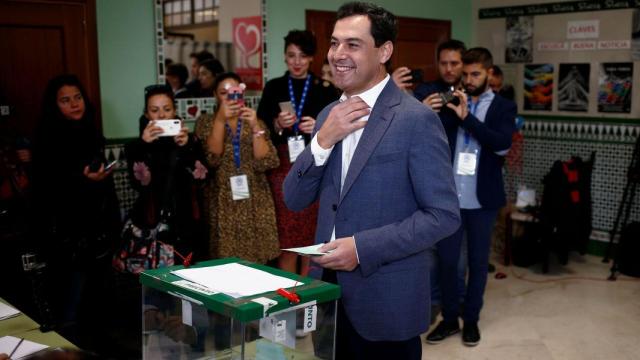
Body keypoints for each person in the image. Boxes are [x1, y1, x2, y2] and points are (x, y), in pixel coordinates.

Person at [283, 3, 460, 359]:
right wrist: (321, 141)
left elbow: (443, 215)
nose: (338, 55)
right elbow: (294, 198)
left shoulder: (416, 119)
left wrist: (361, 249)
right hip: (328, 291)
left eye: (353, 44)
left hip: (386, 296)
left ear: (384, 51)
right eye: (334, 44)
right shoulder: (326, 116)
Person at [425, 47, 516, 347]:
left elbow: (500, 144)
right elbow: (433, 136)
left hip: (482, 202)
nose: (469, 79)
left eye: (475, 74)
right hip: (450, 201)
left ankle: (471, 320)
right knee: (449, 263)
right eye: (466, 74)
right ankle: (450, 318)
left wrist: (467, 118)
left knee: (478, 264)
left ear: (489, 73)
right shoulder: (453, 101)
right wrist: (437, 110)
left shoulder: (503, 107)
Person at [31, 74, 121, 343]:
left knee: (98, 296)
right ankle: (69, 347)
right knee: (70, 300)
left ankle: (97, 343)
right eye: (65, 100)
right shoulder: (47, 138)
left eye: (78, 97)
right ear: (55, 105)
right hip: (67, 233)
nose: (74, 104)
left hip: (98, 229)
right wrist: (83, 181)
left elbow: (103, 176)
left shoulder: (91, 130)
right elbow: (46, 187)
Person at [256, 29, 338, 275]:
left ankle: (308, 297)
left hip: (314, 164)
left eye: (302, 56)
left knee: (311, 238)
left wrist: (318, 128)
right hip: (282, 167)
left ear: (312, 58)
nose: (297, 62)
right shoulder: (274, 87)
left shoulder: (325, 88)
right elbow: (260, 129)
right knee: (287, 237)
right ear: (284, 57)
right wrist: (277, 125)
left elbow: (338, 130)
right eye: (291, 56)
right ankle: (286, 296)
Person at [195, 72, 280, 264]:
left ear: (241, 93)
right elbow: (212, 159)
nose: (229, 97)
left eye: (233, 92)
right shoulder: (206, 122)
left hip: (256, 197)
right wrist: (219, 120)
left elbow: (266, 161)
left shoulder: (254, 120)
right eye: (223, 93)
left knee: (259, 261)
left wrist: (255, 125)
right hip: (223, 199)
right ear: (215, 96)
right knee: (226, 262)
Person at [124, 84, 207, 264]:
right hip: (151, 223)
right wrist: (144, 146)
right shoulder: (135, 147)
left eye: (167, 109)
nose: (161, 115)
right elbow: (139, 183)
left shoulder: (190, 141)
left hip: (186, 224)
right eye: (155, 110)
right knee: (154, 284)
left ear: (175, 111)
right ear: (147, 114)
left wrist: (187, 148)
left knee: (188, 283)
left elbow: (202, 178)